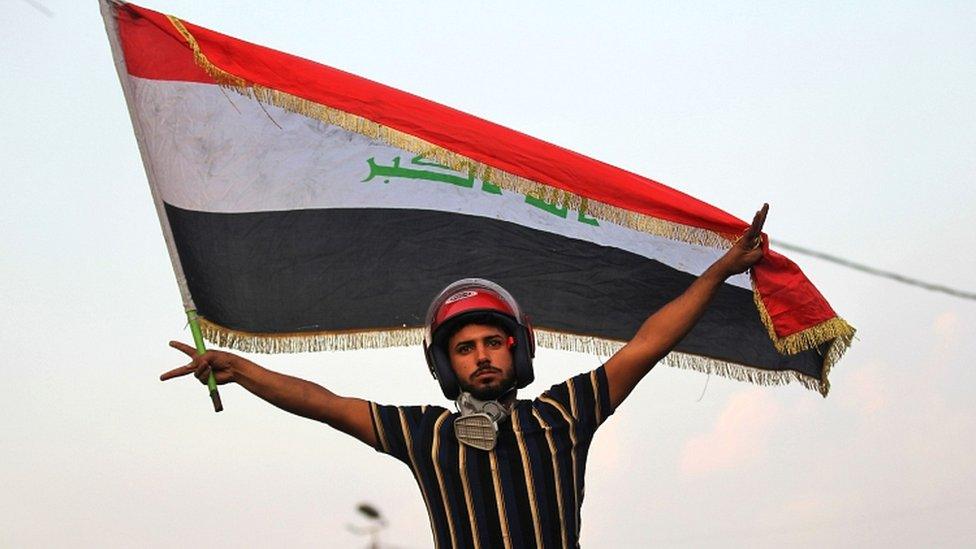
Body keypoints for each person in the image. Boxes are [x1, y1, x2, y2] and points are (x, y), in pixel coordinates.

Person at [162, 205, 770, 548]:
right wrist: (241, 369)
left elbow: (649, 342)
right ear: (445, 365)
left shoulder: (565, 412)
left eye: (492, 342)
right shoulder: (426, 435)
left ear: (517, 350)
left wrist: (720, 270)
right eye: (463, 349)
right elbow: (324, 402)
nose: (480, 356)